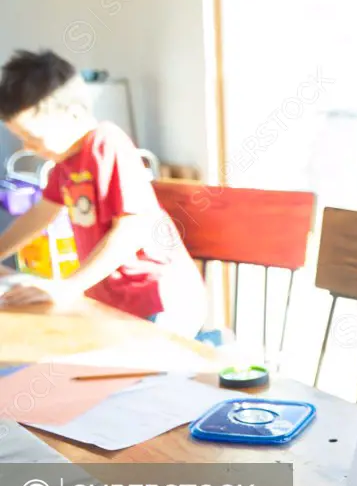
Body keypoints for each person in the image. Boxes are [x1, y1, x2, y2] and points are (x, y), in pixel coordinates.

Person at [0, 49, 206, 338]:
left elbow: (132, 228)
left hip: (158, 299)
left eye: (33, 137)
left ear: (72, 114)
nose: (27, 148)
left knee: (139, 377)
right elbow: (41, 214)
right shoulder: (64, 162)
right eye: (22, 139)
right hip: (114, 302)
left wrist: (68, 287)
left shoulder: (106, 143)